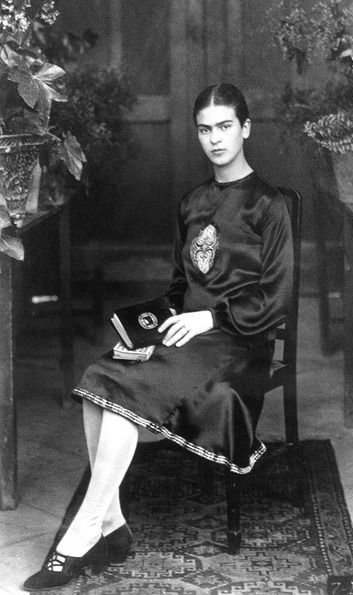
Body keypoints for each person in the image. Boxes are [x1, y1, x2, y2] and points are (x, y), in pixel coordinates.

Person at [23, 82, 294, 591]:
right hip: (183, 336)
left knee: (124, 388)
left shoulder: (269, 205)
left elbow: (276, 298)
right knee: (102, 373)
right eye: (205, 129)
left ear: (246, 129)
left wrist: (210, 319)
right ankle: (112, 522)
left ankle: (82, 531)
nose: (215, 139)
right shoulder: (192, 202)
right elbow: (177, 288)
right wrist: (146, 328)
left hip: (238, 340)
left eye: (225, 127)